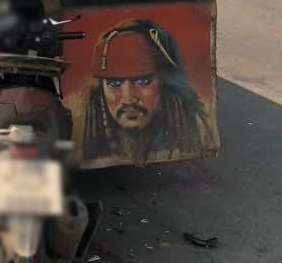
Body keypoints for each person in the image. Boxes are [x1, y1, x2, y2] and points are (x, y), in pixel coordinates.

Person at [83, 18, 211, 165]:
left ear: (166, 85)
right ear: (101, 91)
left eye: (143, 81)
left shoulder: (198, 134)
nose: (128, 99)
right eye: (114, 83)